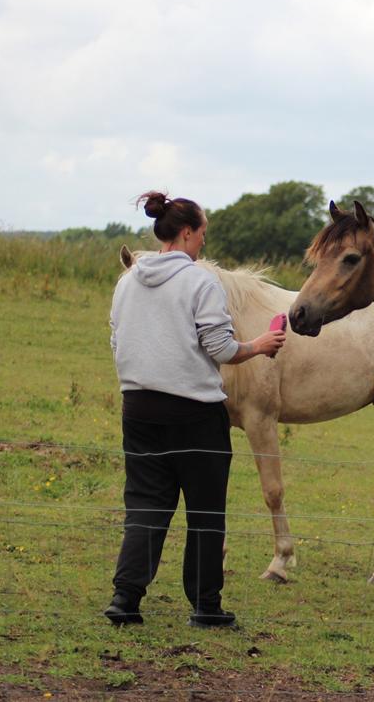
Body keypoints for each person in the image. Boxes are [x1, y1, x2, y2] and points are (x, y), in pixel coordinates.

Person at [105, 191, 285, 627]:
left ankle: (125, 599)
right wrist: (259, 345)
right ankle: (206, 605)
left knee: (145, 506)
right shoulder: (200, 282)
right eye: (202, 233)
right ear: (186, 232)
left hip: (138, 408)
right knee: (205, 512)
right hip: (195, 415)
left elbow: (117, 341)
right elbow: (220, 348)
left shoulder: (127, 282)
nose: (203, 242)